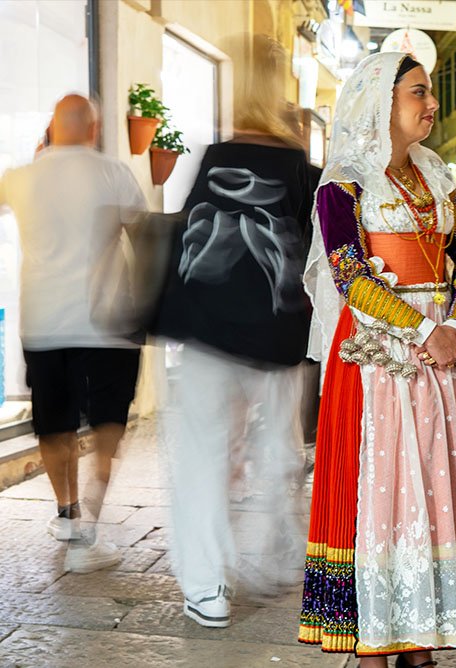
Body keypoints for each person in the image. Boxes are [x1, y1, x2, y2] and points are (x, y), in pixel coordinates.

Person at [298, 52, 456, 667]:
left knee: (434, 489)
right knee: (380, 490)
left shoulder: (436, 176)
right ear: (382, 102)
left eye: (430, 92)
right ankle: (373, 642)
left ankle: (420, 635)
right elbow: (348, 273)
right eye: (418, 92)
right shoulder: (344, 183)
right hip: (377, 356)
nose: (430, 104)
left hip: (441, 358)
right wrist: (423, 330)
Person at [154, 35, 316, 628]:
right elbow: (308, 252)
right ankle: (277, 560)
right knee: (277, 448)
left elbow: (189, 239)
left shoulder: (217, 156)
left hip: (207, 328)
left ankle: (207, 587)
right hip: (276, 331)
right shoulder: (298, 165)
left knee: (201, 452)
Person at [0, 94, 146, 572]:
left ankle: (66, 513)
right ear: (94, 128)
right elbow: (142, 236)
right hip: (106, 321)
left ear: (51, 126)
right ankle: (92, 526)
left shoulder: (23, 177)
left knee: (53, 420)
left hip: (44, 322)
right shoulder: (113, 173)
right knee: (108, 421)